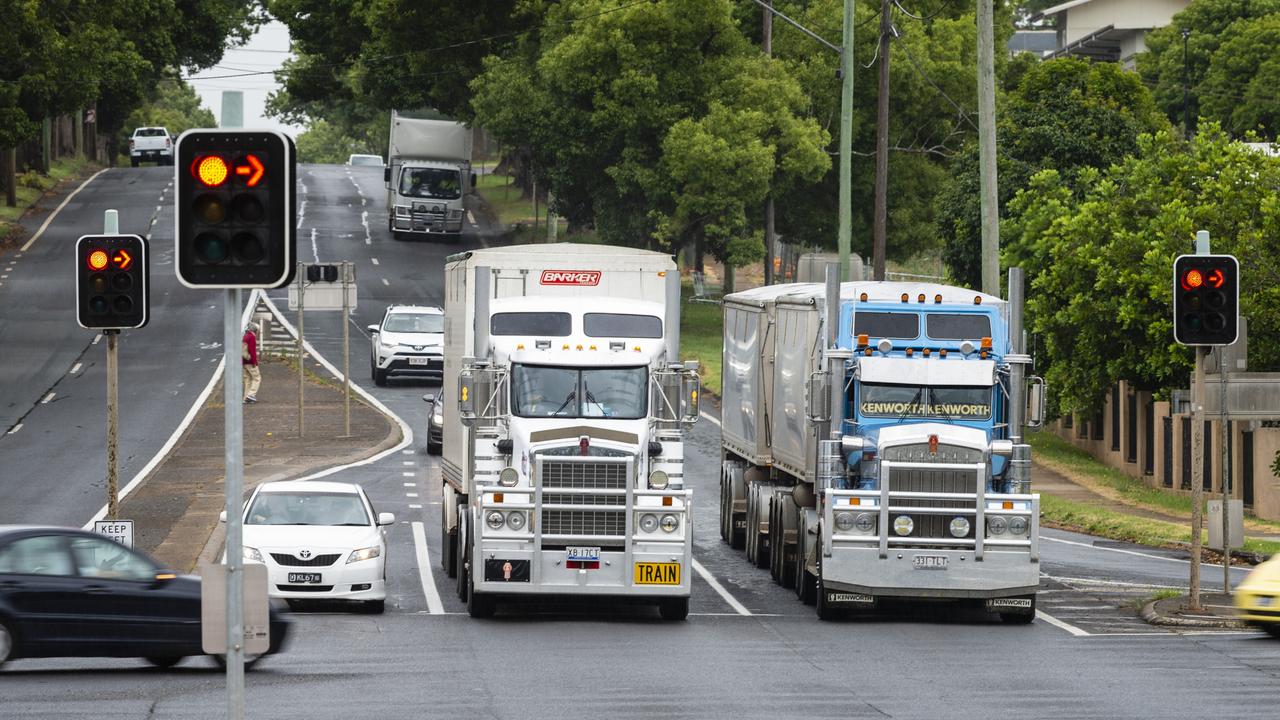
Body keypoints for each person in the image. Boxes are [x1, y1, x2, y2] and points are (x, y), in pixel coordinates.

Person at [243, 327, 260, 403]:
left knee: (247, 379)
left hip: (243, 361)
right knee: (257, 378)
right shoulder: (252, 337)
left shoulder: (245, 336)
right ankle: (251, 395)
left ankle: (245, 398)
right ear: (256, 331)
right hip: (249, 361)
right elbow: (252, 350)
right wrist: (254, 362)